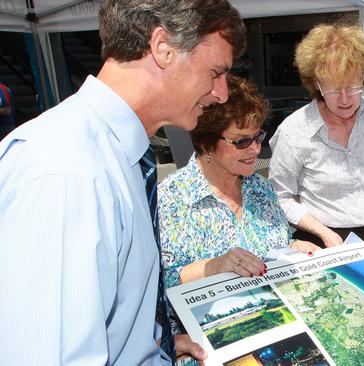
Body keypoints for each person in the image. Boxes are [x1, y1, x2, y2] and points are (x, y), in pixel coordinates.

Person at [0, 0, 245, 364]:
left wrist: (147, 343)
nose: (222, 93)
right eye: (215, 73)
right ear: (163, 48)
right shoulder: (67, 172)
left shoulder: (112, 155)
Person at [159, 75, 319, 288]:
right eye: (242, 141)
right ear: (206, 142)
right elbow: (163, 282)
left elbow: (278, 244)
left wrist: (296, 246)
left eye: (258, 137)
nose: (255, 150)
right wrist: (216, 266)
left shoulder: (262, 189)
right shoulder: (172, 198)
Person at [269, 24, 364, 247]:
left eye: (354, 87)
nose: (345, 99)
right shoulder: (294, 130)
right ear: (317, 84)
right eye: (334, 89)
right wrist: (324, 233)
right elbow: (280, 196)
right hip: (317, 238)